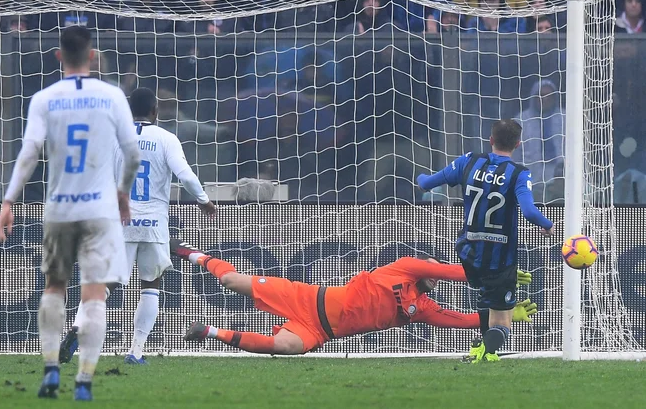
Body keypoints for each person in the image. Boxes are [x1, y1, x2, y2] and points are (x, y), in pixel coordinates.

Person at [0, 25, 141, 400]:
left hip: (60, 209)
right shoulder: (111, 95)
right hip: (100, 209)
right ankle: (84, 381)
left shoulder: (46, 98)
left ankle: (49, 371)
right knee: (94, 293)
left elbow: (29, 153)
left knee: (54, 287)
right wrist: (123, 193)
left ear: (59, 56)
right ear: (93, 56)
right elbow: (132, 152)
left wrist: (9, 201)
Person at [59, 87, 218, 365]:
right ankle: (136, 351)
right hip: (154, 225)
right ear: (155, 112)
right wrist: (204, 200)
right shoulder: (167, 139)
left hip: (120, 221)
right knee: (151, 285)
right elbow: (186, 176)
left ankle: (79, 324)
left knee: (104, 283)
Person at [172, 239, 537, 355]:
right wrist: (498, 274)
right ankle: (194, 254)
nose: (434, 272)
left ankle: (210, 333)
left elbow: (459, 320)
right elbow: (456, 271)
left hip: (322, 332)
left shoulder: (421, 308)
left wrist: (503, 317)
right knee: (234, 282)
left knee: (283, 347)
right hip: (307, 298)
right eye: (432, 267)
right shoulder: (406, 266)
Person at [417, 118, 554, 363]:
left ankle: (483, 350)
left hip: (469, 251)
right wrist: (548, 225)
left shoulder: (469, 161)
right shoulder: (519, 173)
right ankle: (486, 348)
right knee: (503, 322)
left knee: (486, 296)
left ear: (491, 140)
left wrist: (419, 177)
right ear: (518, 144)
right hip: (501, 258)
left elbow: (427, 184)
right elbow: (530, 212)